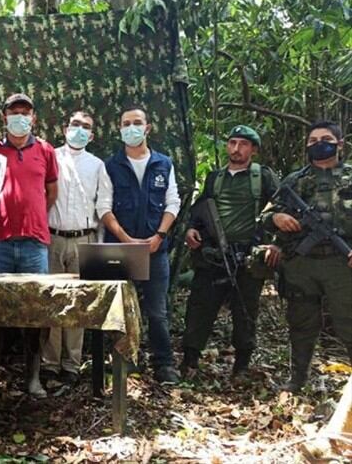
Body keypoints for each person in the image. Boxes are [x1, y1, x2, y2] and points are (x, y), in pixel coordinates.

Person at [180, 125, 280, 378]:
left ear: (253, 150)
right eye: (232, 142)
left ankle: (242, 366)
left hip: (248, 257)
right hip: (214, 256)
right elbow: (200, 209)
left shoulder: (263, 177)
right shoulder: (215, 178)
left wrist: (275, 243)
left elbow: (281, 210)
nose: (236, 149)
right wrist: (191, 229)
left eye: (243, 144)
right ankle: (190, 362)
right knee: (200, 307)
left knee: (245, 311)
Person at [261, 120, 352, 393]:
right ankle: (297, 380)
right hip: (301, 264)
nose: (318, 144)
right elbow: (265, 215)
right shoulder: (294, 180)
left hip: (342, 264)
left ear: (340, 144)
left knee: (348, 322)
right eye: (312, 141)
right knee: (301, 323)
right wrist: (277, 218)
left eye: (325, 140)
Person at [0, 93, 58, 398]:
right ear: (4, 117)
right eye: (14, 112)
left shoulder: (45, 150)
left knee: (36, 313)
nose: (20, 117)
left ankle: (33, 377)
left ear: (33, 118)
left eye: (25, 112)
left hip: (34, 244)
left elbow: (51, 191)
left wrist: (32, 215)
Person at [99, 104, 181, 383]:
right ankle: (123, 361)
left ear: (148, 128)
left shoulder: (164, 163)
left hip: (155, 249)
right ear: (119, 130)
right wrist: (126, 240)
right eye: (126, 124)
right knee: (118, 310)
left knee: (157, 312)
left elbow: (173, 202)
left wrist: (159, 236)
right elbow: (104, 207)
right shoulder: (110, 165)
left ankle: (164, 364)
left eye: (137, 122)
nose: (131, 128)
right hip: (119, 248)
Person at [41, 110, 112, 385]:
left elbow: (103, 205)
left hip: (85, 239)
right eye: (75, 124)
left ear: (91, 136)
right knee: (51, 301)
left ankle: (71, 364)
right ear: (65, 128)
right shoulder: (50, 157)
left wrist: (99, 248)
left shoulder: (97, 166)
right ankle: (49, 363)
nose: (79, 130)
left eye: (86, 127)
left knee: (77, 302)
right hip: (52, 238)